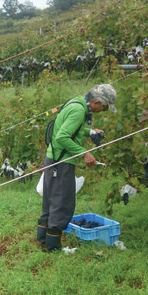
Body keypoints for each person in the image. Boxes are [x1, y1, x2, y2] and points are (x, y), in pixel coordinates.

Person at [37, 84, 117, 252]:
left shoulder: (77, 102)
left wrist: (90, 132)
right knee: (62, 203)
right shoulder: (79, 111)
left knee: (50, 202)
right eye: (104, 107)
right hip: (61, 162)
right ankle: (53, 248)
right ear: (96, 102)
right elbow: (62, 137)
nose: (104, 110)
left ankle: (43, 240)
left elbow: (71, 128)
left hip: (53, 159)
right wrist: (84, 153)